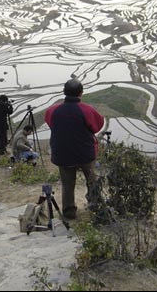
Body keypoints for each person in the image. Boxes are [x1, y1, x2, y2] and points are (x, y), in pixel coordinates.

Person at [45, 78, 105, 220]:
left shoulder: (53, 110)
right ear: (81, 93)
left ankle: (69, 211)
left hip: (62, 154)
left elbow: (51, 124)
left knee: (67, 183)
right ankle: (95, 206)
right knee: (91, 180)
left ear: (64, 92)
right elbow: (97, 125)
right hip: (85, 153)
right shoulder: (87, 110)